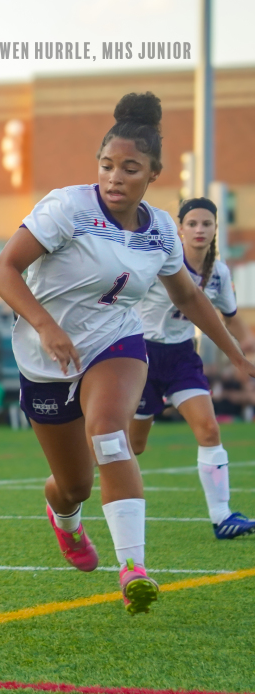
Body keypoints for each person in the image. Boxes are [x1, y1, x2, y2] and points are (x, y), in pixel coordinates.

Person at [0, 92, 255, 615]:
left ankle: (133, 567)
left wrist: (240, 356)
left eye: (129, 169)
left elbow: (189, 298)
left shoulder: (160, 230)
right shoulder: (67, 207)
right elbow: (3, 271)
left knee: (110, 436)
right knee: (72, 485)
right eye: (107, 165)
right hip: (44, 356)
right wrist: (45, 325)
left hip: (117, 342)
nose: (115, 177)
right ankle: (64, 519)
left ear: (153, 173)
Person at [130, 197, 255, 538]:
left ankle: (222, 517)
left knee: (210, 430)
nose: (200, 230)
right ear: (180, 228)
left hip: (183, 357)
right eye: (192, 224)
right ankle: (69, 483)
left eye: (207, 224)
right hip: (140, 356)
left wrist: (248, 350)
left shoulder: (219, 272)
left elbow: (232, 320)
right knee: (132, 446)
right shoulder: (160, 260)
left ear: (216, 229)